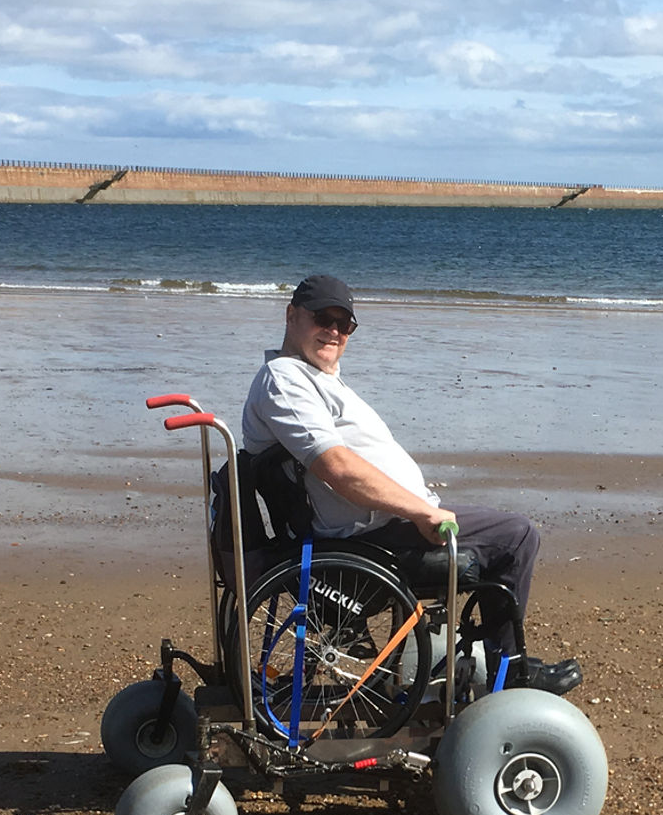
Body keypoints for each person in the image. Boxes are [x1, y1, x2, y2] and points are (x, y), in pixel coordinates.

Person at [240, 273, 582, 695]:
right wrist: (422, 511)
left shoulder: (314, 379)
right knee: (516, 537)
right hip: (366, 536)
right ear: (292, 316)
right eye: (322, 318)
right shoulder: (285, 378)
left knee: (500, 530)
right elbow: (337, 467)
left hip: (377, 525)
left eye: (344, 324)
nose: (333, 331)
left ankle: (451, 668)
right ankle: (507, 673)